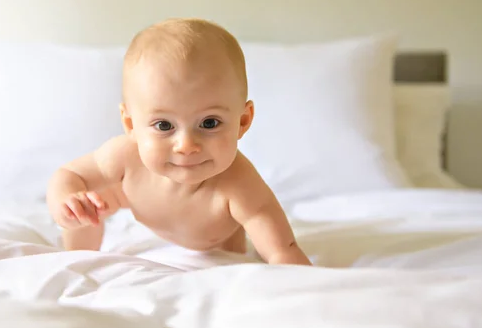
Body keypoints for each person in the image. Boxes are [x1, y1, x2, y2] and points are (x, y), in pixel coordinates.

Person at [46, 17, 311, 266]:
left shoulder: (239, 185)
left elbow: (282, 251)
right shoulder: (124, 157)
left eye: (209, 123)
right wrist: (66, 202)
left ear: (242, 122)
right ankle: (77, 256)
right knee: (85, 208)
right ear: (131, 125)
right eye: (164, 125)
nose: (186, 145)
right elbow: (68, 174)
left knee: (237, 251)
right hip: (133, 198)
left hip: (217, 242)